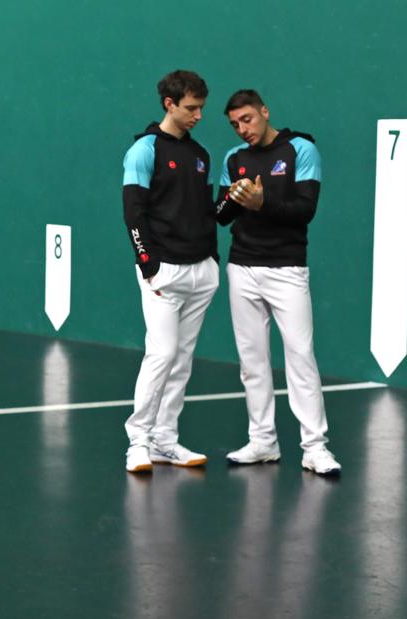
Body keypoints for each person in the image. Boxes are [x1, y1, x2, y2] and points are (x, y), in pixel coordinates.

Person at [217, 90, 341, 475]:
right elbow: (220, 216)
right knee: (252, 362)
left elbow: (306, 210)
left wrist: (260, 203)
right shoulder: (233, 159)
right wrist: (236, 200)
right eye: (235, 124)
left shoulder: (300, 149)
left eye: (248, 120)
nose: (242, 130)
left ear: (265, 112)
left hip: (287, 268)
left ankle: (315, 448)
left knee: (300, 357)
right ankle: (262, 441)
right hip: (242, 268)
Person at [121, 70, 220, 474]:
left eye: (201, 108)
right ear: (170, 104)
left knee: (181, 359)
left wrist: (237, 203)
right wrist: (149, 264)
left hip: (202, 271)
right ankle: (138, 442)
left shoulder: (201, 156)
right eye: (192, 108)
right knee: (160, 355)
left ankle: (165, 440)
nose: (198, 116)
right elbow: (133, 212)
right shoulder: (144, 150)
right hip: (163, 273)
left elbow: (211, 213)